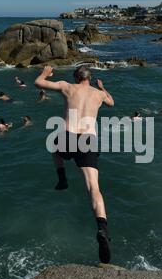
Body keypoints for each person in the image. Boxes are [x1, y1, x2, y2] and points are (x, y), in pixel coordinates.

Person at [35, 65, 114, 264]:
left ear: (75, 77)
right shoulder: (98, 94)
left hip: (68, 137)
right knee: (93, 188)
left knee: (53, 145)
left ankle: (62, 177)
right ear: (90, 77)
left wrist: (46, 73)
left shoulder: (67, 86)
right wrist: (103, 88)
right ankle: (102, 228)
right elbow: (111, 103)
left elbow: (38, 83)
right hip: (88, 139)